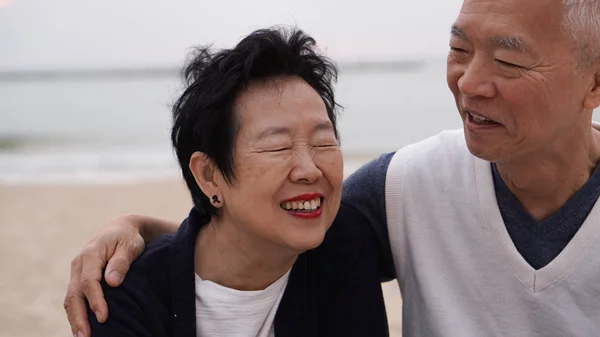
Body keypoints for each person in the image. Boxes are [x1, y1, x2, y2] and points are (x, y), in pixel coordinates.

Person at [65, 0, 600, 336]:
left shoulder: (359, 239)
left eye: (507, 61)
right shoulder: (409, 188)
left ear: (593, 83)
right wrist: (133, 230)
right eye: (459, 49)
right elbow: (261, 229)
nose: (468, 82)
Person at [68, 26, 389, 337]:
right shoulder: (129, 295)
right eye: (278, 146)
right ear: (209, 175)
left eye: (323, 143)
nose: (310, 169)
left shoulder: (344, 249)